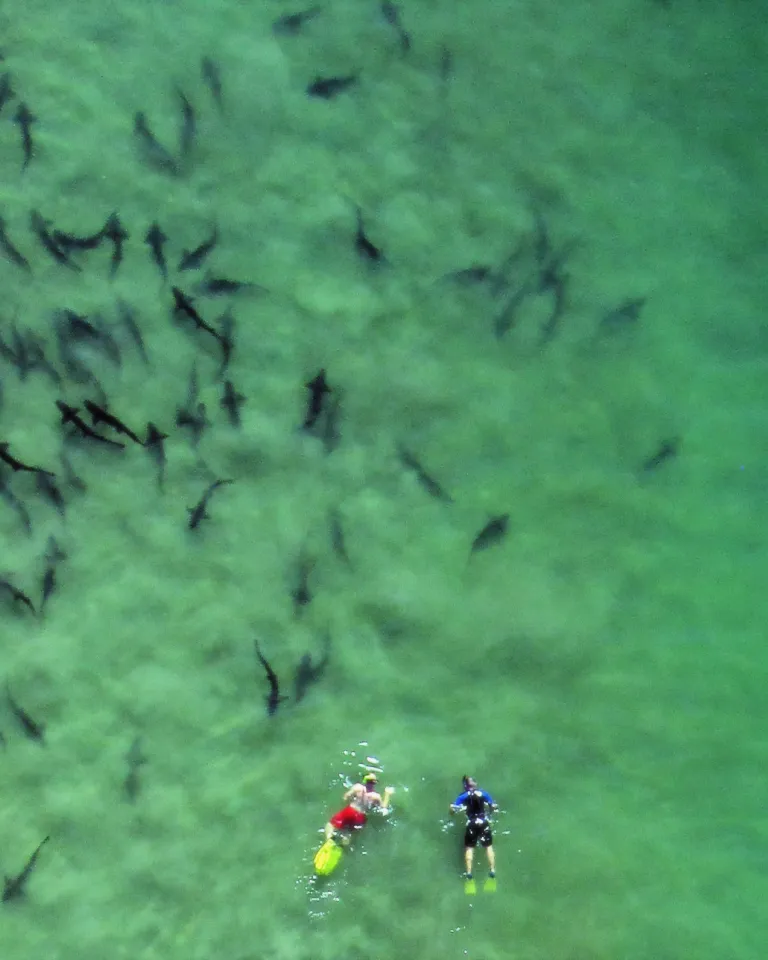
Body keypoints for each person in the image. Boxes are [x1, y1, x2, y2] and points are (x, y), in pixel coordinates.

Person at [449, 775, 498, 879]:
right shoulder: (484, 794)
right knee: (488, 847)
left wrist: (451, 809)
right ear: (475, 784)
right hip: (483, 822)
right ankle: (492, 870)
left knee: (469, 848)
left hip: (472, 823)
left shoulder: (463, 796)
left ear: (465, 786)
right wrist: (492, 808)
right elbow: (493, 807)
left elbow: (453, 811)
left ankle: (469, 872)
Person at [324, 773, 395, 845]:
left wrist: (349, 801)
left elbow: (345, 797)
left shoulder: (357, 787)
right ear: (374, 783)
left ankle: (329, 839)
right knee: (348, 832)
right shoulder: (376, 796)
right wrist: (387, 794)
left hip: (350, 810)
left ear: (364, 780)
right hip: (361, 817)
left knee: (331, 824)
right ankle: (343, 845)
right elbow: (383, 808)